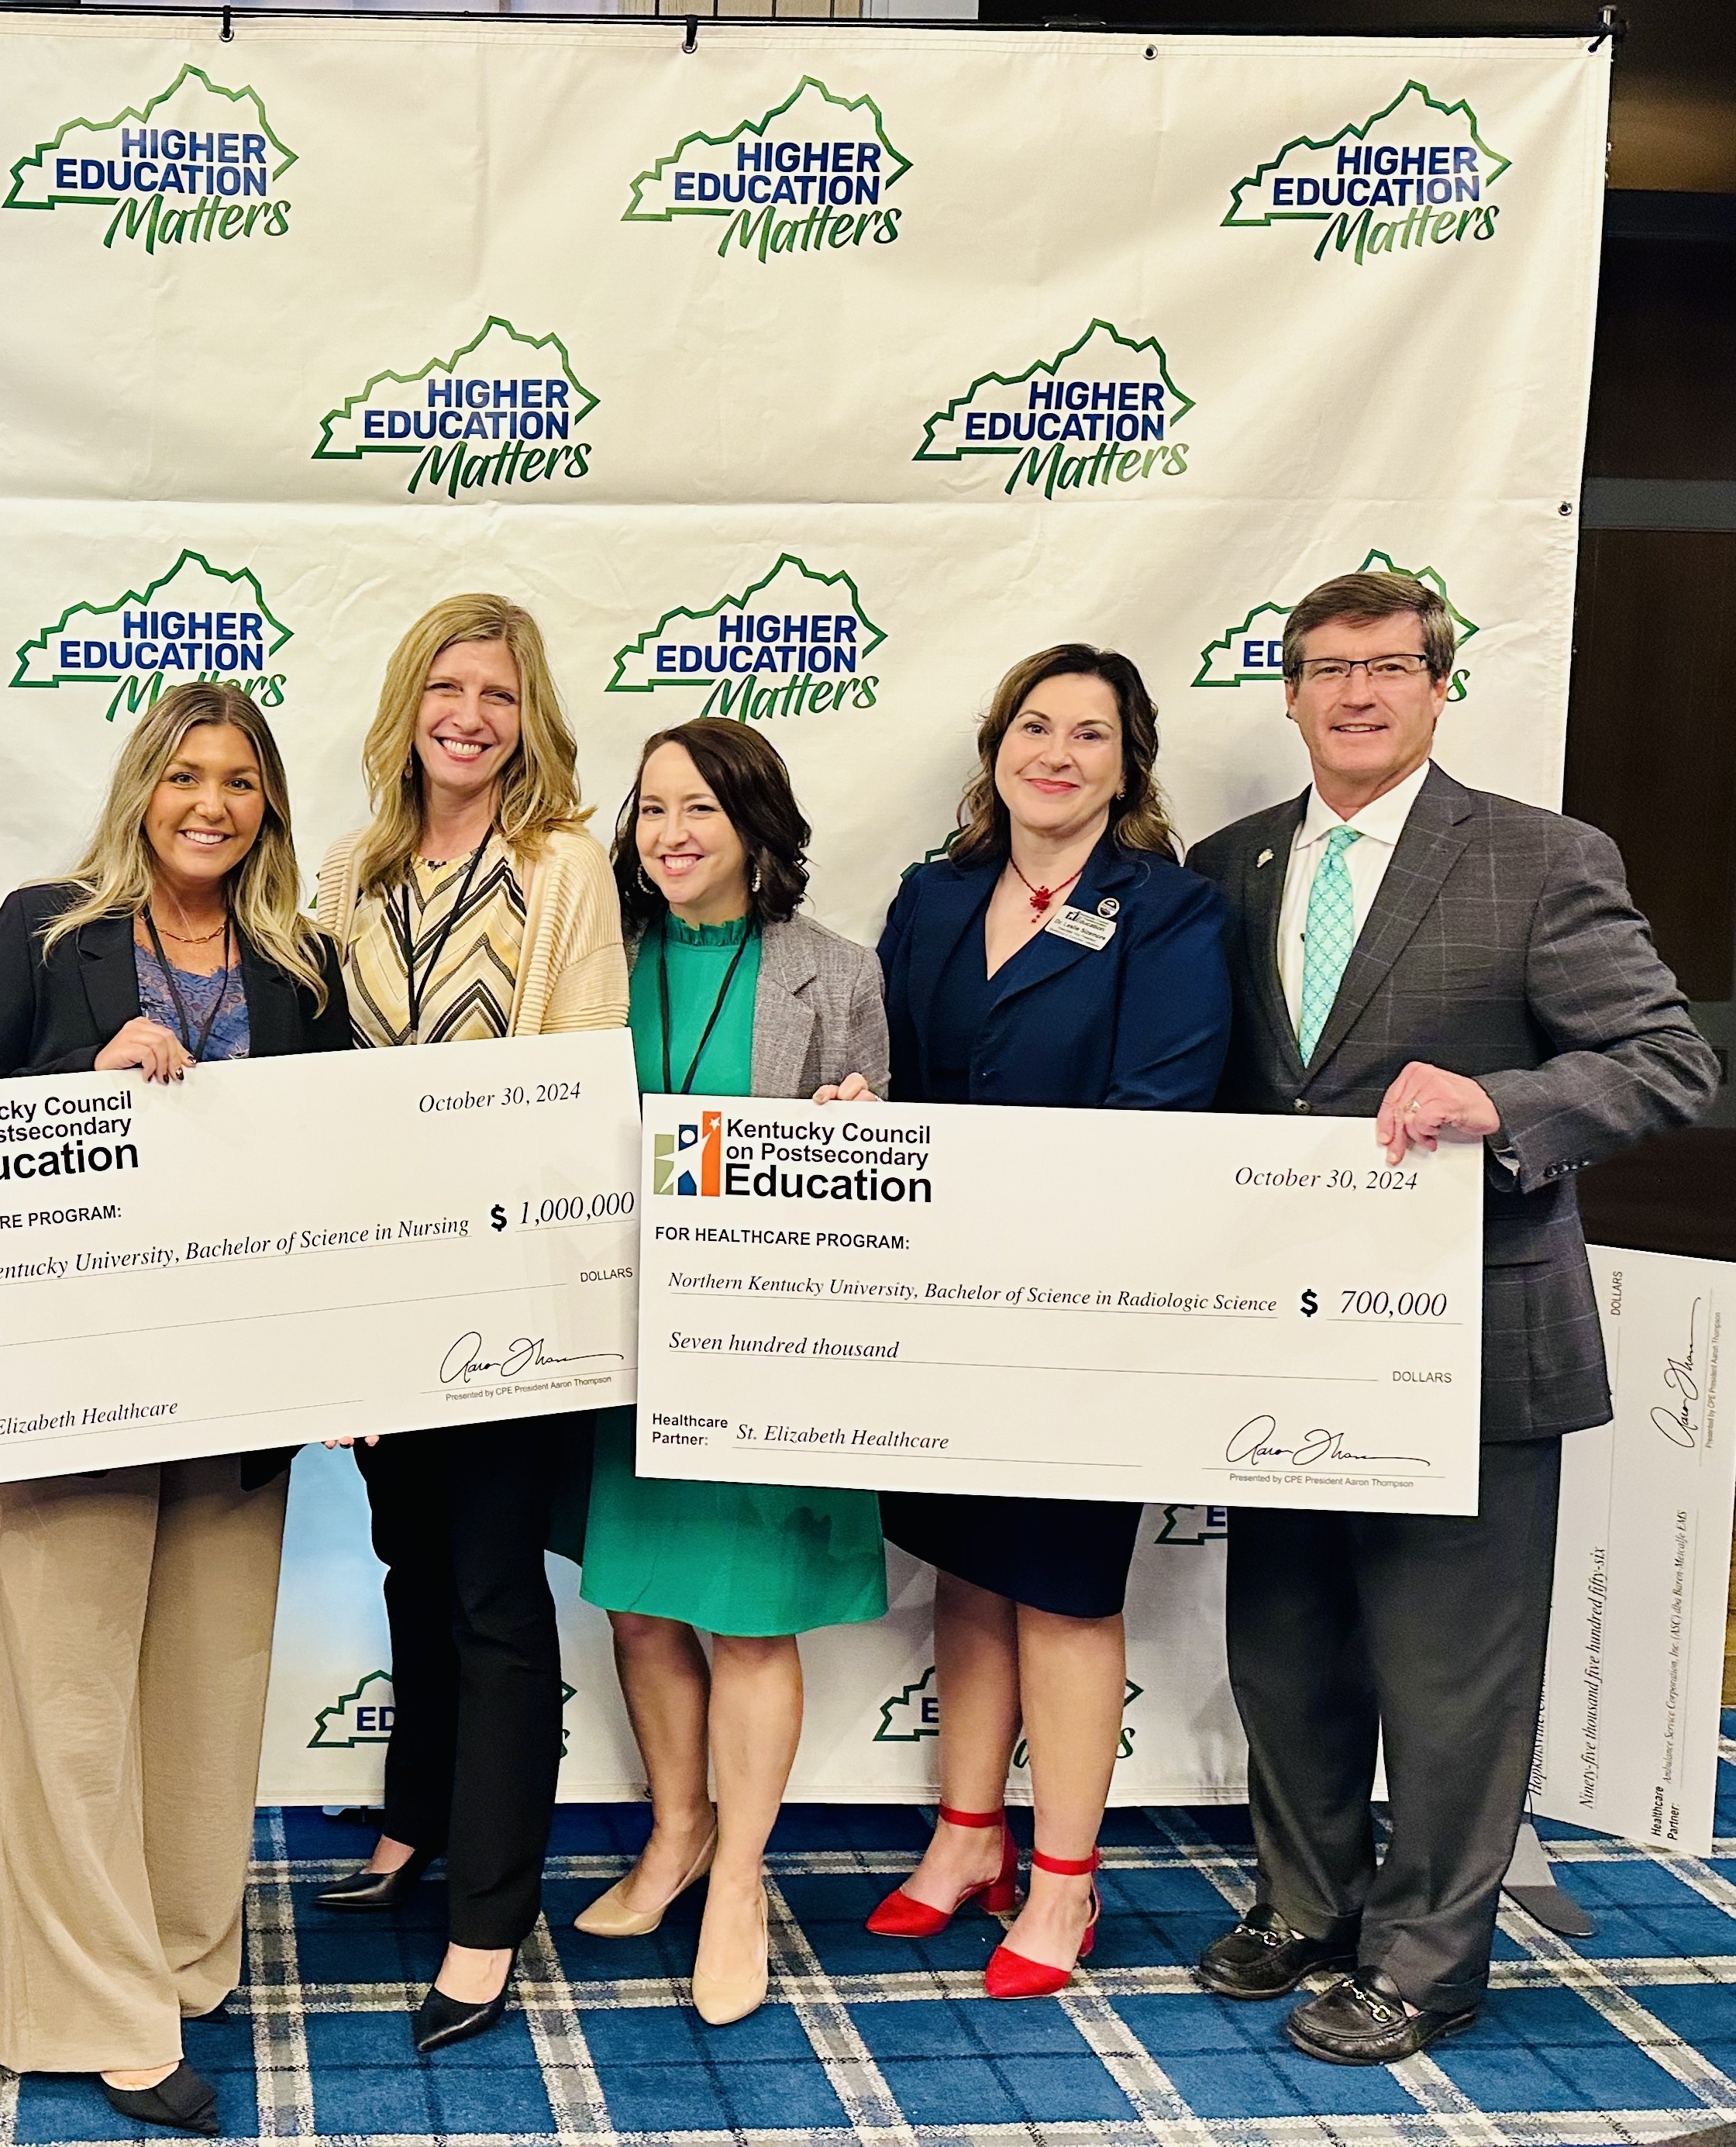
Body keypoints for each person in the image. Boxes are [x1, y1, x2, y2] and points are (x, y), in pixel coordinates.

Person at [1183, 571, 1714, 2063]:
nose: (1357, 693)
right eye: (1327, 669)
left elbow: (1668, 1061)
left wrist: (1504, 1100)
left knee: (1450, 1671)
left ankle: (1427, 1958)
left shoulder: (1542, 860)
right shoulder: (1228, 869)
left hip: (1472, 1339)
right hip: (1279, 1339)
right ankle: (1311, 1900)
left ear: (1438, 688)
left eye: (1391, 667)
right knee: (1286, 1646)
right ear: (1287, 694)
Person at [0, 683, 351, 2137]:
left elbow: (344, 1178)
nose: (211, 805)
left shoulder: (300, 967)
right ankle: (90, 2010)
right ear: (141, 790)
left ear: (269, 807)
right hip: (65, 1391)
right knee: (69, 1708)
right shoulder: (50, 930)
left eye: (240, 781)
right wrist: (79, 1081)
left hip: (236, 1405)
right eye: (186, 777)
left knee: (206, 1695)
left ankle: (179, 1953)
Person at [861, 644, 1231, 2000]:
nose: (1057, 753)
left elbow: (1165, 1103)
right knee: (967, 1568)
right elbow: (895, 1069)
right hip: (939, 1301)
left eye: (1090, 733)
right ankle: (967, 1839)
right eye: (1035, 725)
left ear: (1127, 762)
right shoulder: (930, 896)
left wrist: (1023, 1221)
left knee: (1065, 1593)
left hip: (1084, 1308)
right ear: (995, 746)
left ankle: (1065, 1884)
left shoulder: (1174, 912)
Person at [311, 594, 625, 2052]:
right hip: (376, 1291)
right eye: (447, 686)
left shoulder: (561, 862)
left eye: (499, 693)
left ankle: (490, 1917)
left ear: (529, 714)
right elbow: (311, 1086)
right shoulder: (353, 867)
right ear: (407, 704)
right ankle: (415, 1819)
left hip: (509, 1294)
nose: (471, 715)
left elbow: (579, 1076)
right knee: (408, 1562)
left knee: (497, 1595)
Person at [570, 719, 891, 2025]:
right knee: (642, 1609)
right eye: (651, 811)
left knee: (749, 1620)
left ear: (759, 822)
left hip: (764, 1352)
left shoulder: (839, 971)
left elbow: (891, 1177)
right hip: (621, 1345)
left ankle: (742, 1880)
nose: (673, 834)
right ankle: (676, 1833)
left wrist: (862, 1132)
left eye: (699, 807)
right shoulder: (600, 960)